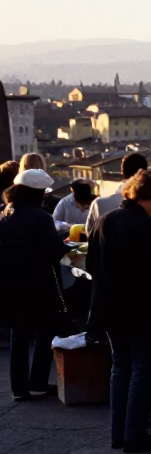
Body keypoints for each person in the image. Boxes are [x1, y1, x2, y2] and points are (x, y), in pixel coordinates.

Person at [87, 169, 151, 451]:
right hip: (138, 310)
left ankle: (117, 434)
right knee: (143, 368)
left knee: (120, 367)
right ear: (149, 197)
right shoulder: (144, 226)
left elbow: (90, 265)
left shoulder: (105, 220)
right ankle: (134, 436)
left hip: (108, 308)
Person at [0, 170, 71, 401]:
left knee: (18, 335)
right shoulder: (41, 218)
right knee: (45, 330)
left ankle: (19, 389)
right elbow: (54, 251)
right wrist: (67, 245)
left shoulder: (6, 214)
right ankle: (38, 382)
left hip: (10, 284)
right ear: (37, 193)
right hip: (39, 284)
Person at [86, 152, 148, 237]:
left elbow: (89, 232)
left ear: (122, 171)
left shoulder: (98, 203)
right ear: (143, 173)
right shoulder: (150, 204)